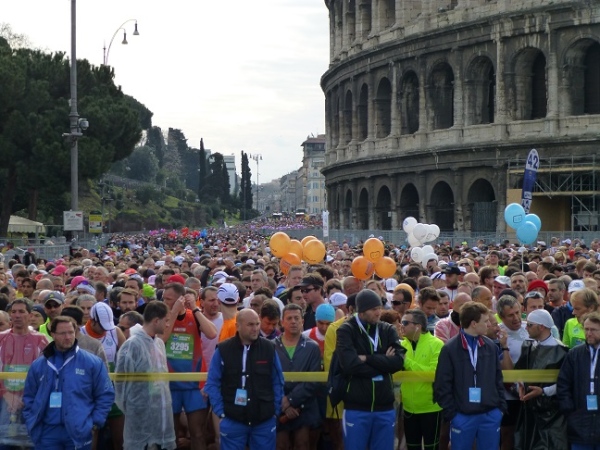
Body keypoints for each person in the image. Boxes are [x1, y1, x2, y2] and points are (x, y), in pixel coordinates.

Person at [22, 316, 114, 449]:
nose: (68, 337)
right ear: (53, 334)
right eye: (62, 333)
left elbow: (105, 394)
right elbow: (29, 396)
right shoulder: (39, 365)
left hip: (79, 430)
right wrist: (31, 419)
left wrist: (95, 422)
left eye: (71, 332)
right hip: (47, 432)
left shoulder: (92, 362)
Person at [204, 309, 285, 450]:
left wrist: (275, 411)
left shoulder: (269, 348)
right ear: (238, 326)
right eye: (250, 324)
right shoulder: (223, 349)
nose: (255, 328)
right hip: (232, 418)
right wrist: (221, 413)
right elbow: (212, 383)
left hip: (264, 420)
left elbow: (278, 382)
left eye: (257, 324)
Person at [336, 289, 404, 449]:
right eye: (373, 309)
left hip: (385, 406)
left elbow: (398, 362)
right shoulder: (346, 330)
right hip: (356, 406)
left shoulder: (388, 329)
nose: (378, 312)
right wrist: (384, 364)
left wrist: (367, 358)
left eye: (379, 308)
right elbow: (349, 365)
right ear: (361, 311)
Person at [434, 301, 507, 450]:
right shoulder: (450, 349)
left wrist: (500, 409)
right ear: (474, 323)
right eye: (485, 321)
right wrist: (453, 414)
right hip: (462, 416)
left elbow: (498, 379)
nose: (488, 324)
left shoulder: (490, 346)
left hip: (490, 414)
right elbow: (442, 384)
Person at [161, 282, 217, 450]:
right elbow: (161, 340)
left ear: (180, 299)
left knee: (197, 433)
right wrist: (173, 313)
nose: (164, 302)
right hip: (170, 383)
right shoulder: (163, 318)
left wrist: (194, 308)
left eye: (168, 299)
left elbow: (212, 333)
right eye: (163, 298)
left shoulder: (194, 316)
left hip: (194, 384)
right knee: (170, 434)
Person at [115, 301, 177, 450]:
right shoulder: (132, 345)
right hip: (139, 415)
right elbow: (121, 383)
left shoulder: (159, 343)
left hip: (161, 414)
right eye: (166, 321)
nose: (168, 325)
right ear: (156, 320)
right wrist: (133, 408)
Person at [513, 309, 568, 450]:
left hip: (552, 415)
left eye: (530, 325)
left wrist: (543, 391)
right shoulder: (528, 347)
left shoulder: (562, 351)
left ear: (541, 327)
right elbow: (519, 372)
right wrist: (520, 385)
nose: (526, 328)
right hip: (528, 412)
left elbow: (566, 383)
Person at [0, 299, 48, 449]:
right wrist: (6, 393)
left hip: (32, 402)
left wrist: (29, 398)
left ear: (30, 315)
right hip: (4, 402)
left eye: (21, 311)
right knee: (5, 443)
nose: (17, 315)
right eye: (13, 312)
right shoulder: (1, 338)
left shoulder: (41, 340)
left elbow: (46, 374)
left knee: (31, 442)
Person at [274, 304, 322, 450]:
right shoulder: (271, 346)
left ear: (302, 321)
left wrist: (291, 400)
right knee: (281, 445)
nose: (293, 321)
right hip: (278, 406)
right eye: (289, 318)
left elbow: (313, 381)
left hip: (304, 407)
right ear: (282, 322)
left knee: (303, 444)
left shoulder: (312, 347)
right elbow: (268, 378)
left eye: (296, 318)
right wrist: (283, 402)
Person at [400, 308, 444, 450]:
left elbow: (433, 373)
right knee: (412, 447)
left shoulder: (436, 344)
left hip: (430, 408)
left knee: (431, 447)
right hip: (409, 407)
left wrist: (406, 361)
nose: (401, 326)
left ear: (418, 326)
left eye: (405, 323)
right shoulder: (402, 345)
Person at [557, 311, 600, 449]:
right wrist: (569, 409)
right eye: (586, 329)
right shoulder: (574, 354)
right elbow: (563, 383)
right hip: (579, 421)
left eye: (593, 330)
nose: (589, 333)